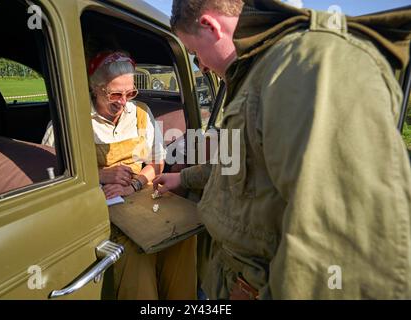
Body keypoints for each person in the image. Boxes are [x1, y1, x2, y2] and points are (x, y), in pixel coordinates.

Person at [153, 0, 411, 299]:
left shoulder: (308, 64)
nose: (203, 66)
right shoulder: (262, 74)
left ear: (211, 26)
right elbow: (239, 162)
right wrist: (182, 179)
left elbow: (341, 248)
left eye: (196, 54)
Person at [43, 50, 197, 300]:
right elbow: (51, 176)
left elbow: (157, 163)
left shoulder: (141, 113)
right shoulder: (70, 119)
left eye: (130, 93)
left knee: (183, 237)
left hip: (141, 195)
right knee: (134, 250)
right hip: (95, 204)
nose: (123, 102)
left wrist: (134, 184)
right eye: (115, 93)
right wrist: (101, 175)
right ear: (95, 88)